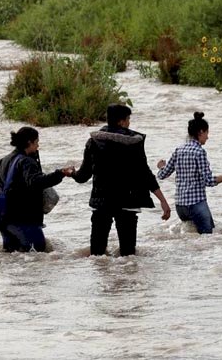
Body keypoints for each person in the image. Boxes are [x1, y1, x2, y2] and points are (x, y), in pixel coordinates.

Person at [72, 104, 171, 256]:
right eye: (128, 119)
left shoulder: (93, 142)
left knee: (97, 255)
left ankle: (98, 280)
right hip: (128, 202)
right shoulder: (134, 143)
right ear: (121, 122)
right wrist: (163, 201)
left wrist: (71, 173)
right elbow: (145, 175)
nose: (129, 122)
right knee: (128, 254)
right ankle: (127, 279)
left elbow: (83, 176)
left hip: (102, 202)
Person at [156, 112, 222, 234]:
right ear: (201, 132)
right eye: (207, 133)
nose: (208, 137)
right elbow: (209, 181)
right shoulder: (199, 152)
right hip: (196, 204)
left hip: (180, 206)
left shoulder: (179, 150)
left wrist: (161, 167)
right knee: (208, 238)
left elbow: (162, 175)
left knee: (193, 240)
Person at [0, 127, 74, 252]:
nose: (38, 146)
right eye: (37, 142)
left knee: (12, 258)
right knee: (37, 253)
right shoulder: (26, 161)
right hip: (24, 218)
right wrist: (61, 173)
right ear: (29, 142)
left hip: (6, 219)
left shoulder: (4, 160)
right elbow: (36, 182)